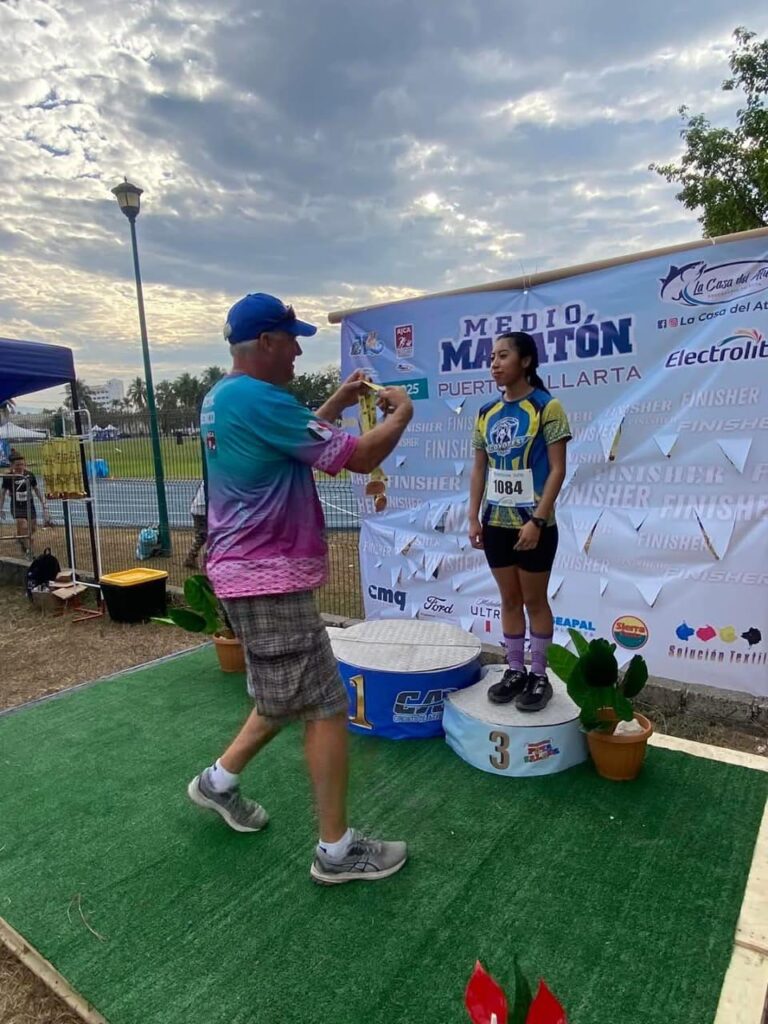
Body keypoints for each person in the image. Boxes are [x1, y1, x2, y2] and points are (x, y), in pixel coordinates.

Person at [187, 292, 414, 885]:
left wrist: (336, 402)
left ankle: (218, 782)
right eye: (291, 339)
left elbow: (294, 440)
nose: (297, 349)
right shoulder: (260, 399)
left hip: (248, 574)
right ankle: (337, 853)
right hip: (268, 576)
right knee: (324, 703)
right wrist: (401, 416)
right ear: (264, 342)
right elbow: (360, 458)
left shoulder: (224, 396)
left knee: (285, 693)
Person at [468, 332, 571, 712]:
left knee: (534, 600)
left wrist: (538, 520)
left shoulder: (548, 407)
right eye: (492, 357)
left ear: (526, 361)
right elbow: (479, 469)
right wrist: (473, 516)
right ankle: (514, 669)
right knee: (509, 599)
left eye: (503, 356)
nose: (494, 363)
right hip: (496, 522)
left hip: (535, 526)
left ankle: (539, 674)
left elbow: (558, 469)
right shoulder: (485, 413)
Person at [1, 453, 50, 560]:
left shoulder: (30, 475)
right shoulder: (8, 477)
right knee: (24, 527)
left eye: (22, 464)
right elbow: (3, 493)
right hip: (17, 506)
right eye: (17, 465)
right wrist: (0, 508)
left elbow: (36, 489)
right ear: (12, 465)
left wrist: (43, 503)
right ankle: (29, 551)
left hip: (29, 505)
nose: (20, 467)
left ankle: (21, 538)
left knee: (32, 528)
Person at [184, 481, 207, 569]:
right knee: (207, 536)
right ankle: (206, 561)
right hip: (203, 509)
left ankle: (191, 558)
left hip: (198, 508)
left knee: (202, 536)